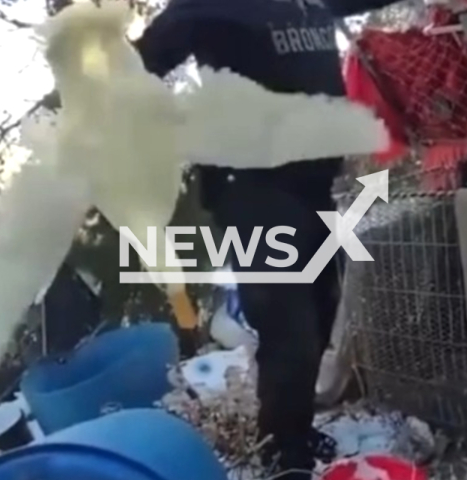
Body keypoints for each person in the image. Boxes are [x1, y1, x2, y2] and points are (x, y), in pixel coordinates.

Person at [133, 0, 399, 477]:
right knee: (289, 327)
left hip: (311, 182)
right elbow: (139, 65)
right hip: (251, 183)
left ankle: (289, 431)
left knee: (321, 312)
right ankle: (283, 461)